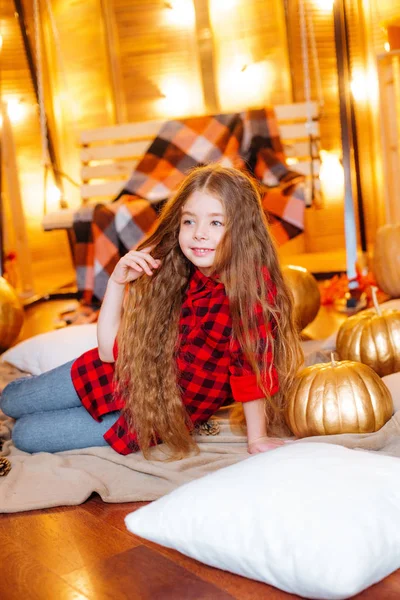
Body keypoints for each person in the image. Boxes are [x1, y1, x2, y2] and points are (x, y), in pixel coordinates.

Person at [1, 165, 303, 459]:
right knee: (11, 399)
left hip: (154, 415)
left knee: (26, 435)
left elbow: (250, 369)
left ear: (243, 229)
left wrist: (258, 437)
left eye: (215, 222)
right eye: (189, 221)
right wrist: (117, 282)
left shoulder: (252, 290)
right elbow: (108, 352)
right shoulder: (177, 270)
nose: (198, 234)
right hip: (117, 375)